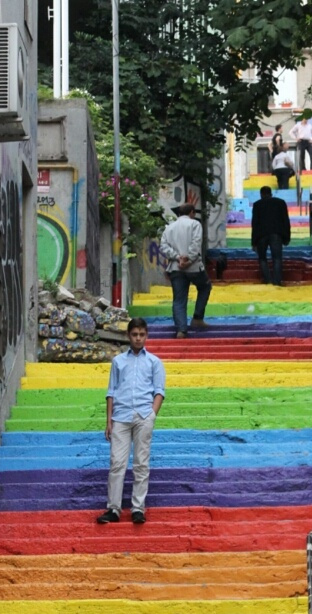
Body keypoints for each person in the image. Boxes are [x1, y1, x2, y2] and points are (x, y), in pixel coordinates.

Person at [97, 317, 165, 525]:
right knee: (117, 463)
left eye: (141, 335)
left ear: (146, 336)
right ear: (128, 336)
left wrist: (152, 414)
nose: (138, 338)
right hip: (120, 417)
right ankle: (114, 509)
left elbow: (159, 391)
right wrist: (109, 421)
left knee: (141, 464)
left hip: (143, 416)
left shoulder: (154, 362)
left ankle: (138, 508)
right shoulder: (118, 362)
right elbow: (111, 392)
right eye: (134, 334)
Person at [159, 203, 212, 338]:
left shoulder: (169, 227)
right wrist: (188, 260)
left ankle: (181, 330)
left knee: (179, 299)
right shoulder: (195, 224)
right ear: (192, 212)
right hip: (194, 267)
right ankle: (197, 318)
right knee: (205, 287)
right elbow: (196, 243)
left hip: (176, 268)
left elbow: (163, 247)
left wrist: (178, 258)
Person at [251, 187, 292, 286]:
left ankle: (268, 280)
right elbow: (286, 221)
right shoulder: (281, 203)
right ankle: (277, 281)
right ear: (271, 193)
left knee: (262, 258)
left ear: (261, 194)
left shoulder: (257, 205)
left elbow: (255, 224)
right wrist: (287, 237)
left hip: (261, 235)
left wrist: (254, 241)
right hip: (276, 234)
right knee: (277, 258)